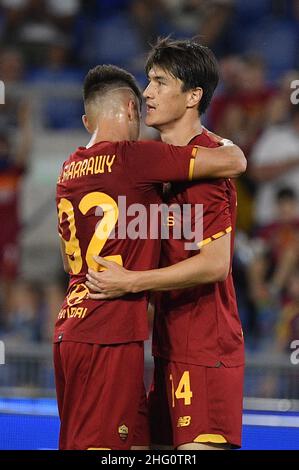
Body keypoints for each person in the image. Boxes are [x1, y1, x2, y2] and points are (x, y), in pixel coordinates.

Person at [55, 63, 246, 451]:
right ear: (129, 110)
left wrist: (161, 226)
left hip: (71, 326)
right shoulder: (134, 159)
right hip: (109, 334)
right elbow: (235, 161)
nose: (147, 95)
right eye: (144, 89)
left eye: (158, 82)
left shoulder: (68, 169)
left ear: (86, 118)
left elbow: (66, 261)